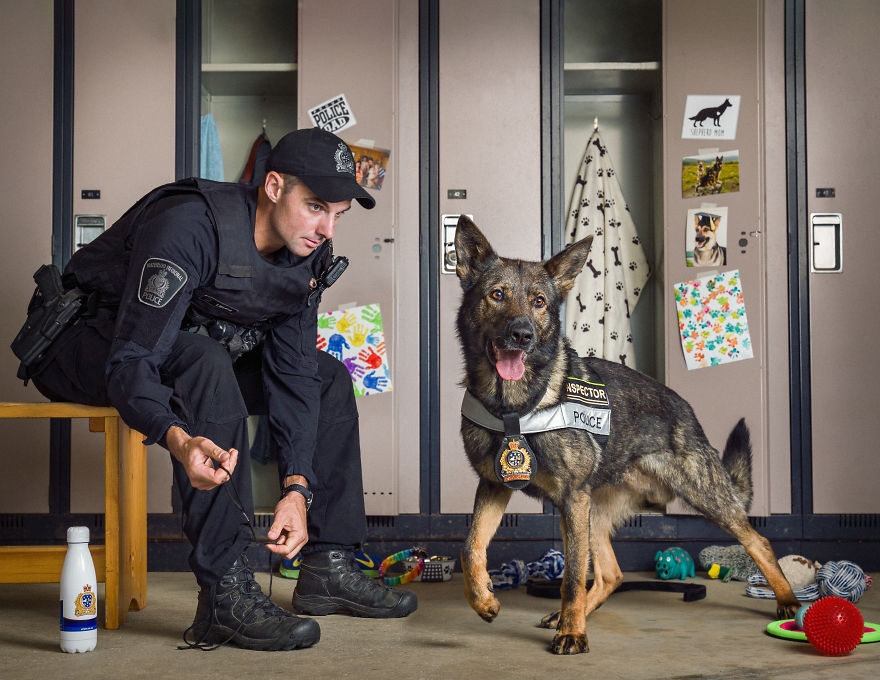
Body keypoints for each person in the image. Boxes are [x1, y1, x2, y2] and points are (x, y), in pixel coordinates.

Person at [23, 127, 417, 651]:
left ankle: (328, 563)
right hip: (85, 343)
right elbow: (135, 359)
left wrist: (296, 488)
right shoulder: (189, 227)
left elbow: (293, 370)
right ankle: (225, 592)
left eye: (338, 214)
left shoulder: (309, 256)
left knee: (326, 377)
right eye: (316, 206)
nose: (327, 229)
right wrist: (177, 439)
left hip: (184, 349)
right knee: (203, 362)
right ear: (273, 186)